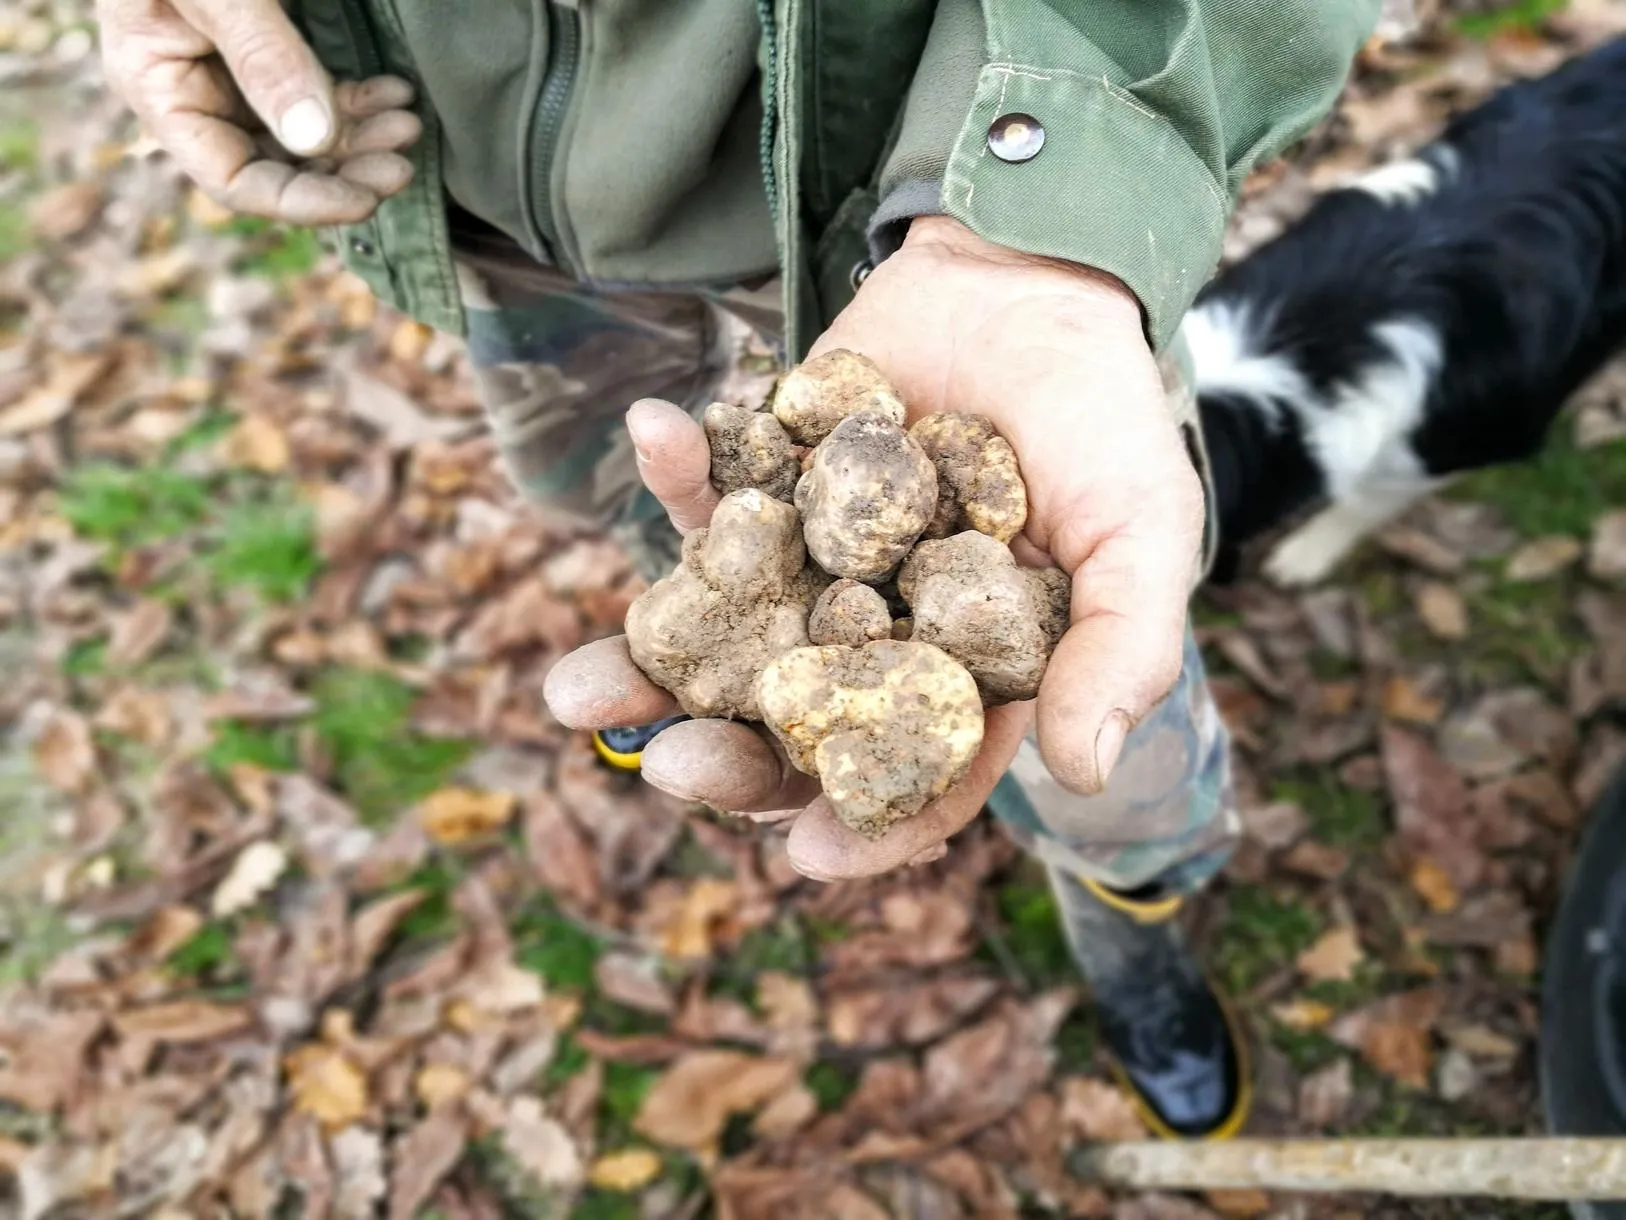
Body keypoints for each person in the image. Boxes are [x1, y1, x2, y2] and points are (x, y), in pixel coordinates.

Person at [97, 0, 1380, 1140]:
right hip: (504, 214)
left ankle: (1135, 923)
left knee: (1098, 716)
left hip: (944, 186)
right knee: (659, 503)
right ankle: (708, 684)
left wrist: (1034, 221)